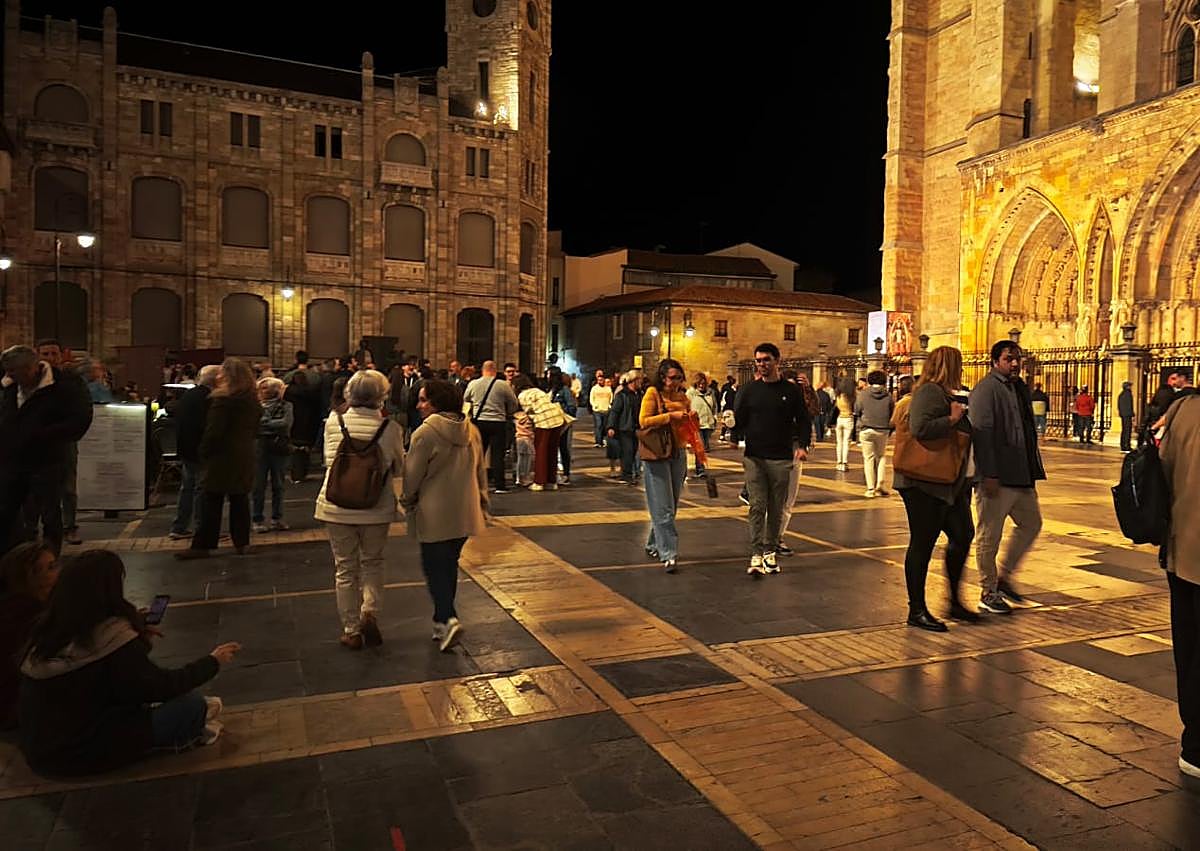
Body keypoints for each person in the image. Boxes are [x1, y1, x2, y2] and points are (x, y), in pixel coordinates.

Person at [19, 550, 240, 775]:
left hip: (41, 749)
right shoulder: (109, 635)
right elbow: (159, 686)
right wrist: (213, 661)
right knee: (191, 705)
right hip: (79, 752)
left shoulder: (50, 629)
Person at [315, 370, 405, 650]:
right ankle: (370, 611)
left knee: (344, 568)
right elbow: (399, 467)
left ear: (348, 394)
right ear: (382, 396)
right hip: (376, 506)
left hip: (336, 505)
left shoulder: (334, 421)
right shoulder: (391, 429)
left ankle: (351, 629)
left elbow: (328, 459)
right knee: (373, 562)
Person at [894, 346, 978, 632]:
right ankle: (916, 610)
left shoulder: (947, 393)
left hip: (945, 482)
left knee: (963, 534)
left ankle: (953, 600)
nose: (963, 369)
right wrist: (953, 419)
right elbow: (920, 428)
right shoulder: (930, 391)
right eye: (960, 364)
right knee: (922, 543)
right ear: (949, 365)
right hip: (923, 482)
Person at [401, 379, 487, 652]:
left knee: (433, 567)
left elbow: (412, 476)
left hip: (434, 511)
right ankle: (440, 622)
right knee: (448, 565)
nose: (419, 405)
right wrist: (483, 501)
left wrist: (406, 500)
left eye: (424, 399)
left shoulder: (425, 433)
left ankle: (449, 618)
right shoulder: (471, 429)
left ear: (437, 402)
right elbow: (481, 471)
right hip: (465, 511)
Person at [970, 340, 1045, 614]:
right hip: (996, 475)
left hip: (1020, 473)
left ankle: (1004, 577)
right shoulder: (986, 390)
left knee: (1031, 523)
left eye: (1017, 358)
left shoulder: (1019, 388)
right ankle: (988, 591)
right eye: (1008, 358)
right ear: (995, 361)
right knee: (989, 534)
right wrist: (988, 473)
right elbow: (981, 434)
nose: (1014, 363)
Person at [0, 345, 93, 557]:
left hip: (48, 459)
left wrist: (42, 435)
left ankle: (49, 560)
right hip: (13, 460)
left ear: (31, 369)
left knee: (50, 513)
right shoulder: (9, 385)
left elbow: (80, 419)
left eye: (15, 372)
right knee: (7, 509)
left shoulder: (65, 385)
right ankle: (11, 559)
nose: (10, 376)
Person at [733, 344, 810, 577]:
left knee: (776, 507)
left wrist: (803, 446)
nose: (761, 365)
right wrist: (734, 435)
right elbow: (739, 418)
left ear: (777, 361)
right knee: (757, 505)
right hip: (755, 456)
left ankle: (770, 551)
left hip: (781, 457)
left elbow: (804, 419)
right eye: (758, 361)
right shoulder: (749, 390)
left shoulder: (791, 391)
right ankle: (756, 551)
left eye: (766, 360)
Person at [177, 358, 262, 559]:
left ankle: (203, 545)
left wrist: (204, 452)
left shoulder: (223, 400)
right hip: (244, 455)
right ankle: (242, 542)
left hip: (221, 457)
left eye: (222, 372)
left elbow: (214, 432)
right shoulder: (252, 401)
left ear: (229, 376)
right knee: (240, 500)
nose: (218, 376)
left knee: (211, 501)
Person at [1158, 393, 1200, 779]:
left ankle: (1194, 744)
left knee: (1188, 649)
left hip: (1182, 549)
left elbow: (1163, 473)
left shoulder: (1184, 408)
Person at [640, 358, 700, 573]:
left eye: (679, 378)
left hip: (678, 451)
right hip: (657, 453)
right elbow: (644, 420)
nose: (676, 382)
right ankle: (669, 553)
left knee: (671, 505)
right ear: (663, 377)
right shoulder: (652, 394)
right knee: (663, 507)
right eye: (672, 378)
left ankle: (653, 543)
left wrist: (691, 419)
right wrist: (669, 416)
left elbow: (688, 426)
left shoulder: (683, 396)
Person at [35, 340, 91, 547]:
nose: (50, 358)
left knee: (68, 487)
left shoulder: (70, 381)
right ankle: (35, 529)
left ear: (60, 356)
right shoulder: (33, 380)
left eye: (53, 354)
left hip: (64, 441)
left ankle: (70, 527)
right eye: (45, 354)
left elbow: (82, 410)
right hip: (37, 444)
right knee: (36, 489)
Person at [1, 543, 59, 729]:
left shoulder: (32, 608)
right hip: (18, 711)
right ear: (28, 577)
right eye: (49, 568)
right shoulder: (26, 616)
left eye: (54, 565)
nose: (56, 573)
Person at [169, 365, 219, 540]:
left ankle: (179, 526)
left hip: (186, 448)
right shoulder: (209, 397)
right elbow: (207, 426)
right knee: (201, 490)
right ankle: (201, 528)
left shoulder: (189, 395)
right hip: (200, 450)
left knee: (187, 489)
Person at [464, 360, 520, 494]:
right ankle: (500, 485)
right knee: (497, 454)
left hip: (479, 422)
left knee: (478, 453)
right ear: (495, 370)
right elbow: (513, 402)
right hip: (498, 422)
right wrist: (507, 412)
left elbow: (466, 398)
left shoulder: (473, 383)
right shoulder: (503, 385)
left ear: (483, 370)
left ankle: (475, 483)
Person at [251, 377, 293, 534]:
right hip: (260, 447)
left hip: (278, 446)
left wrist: (265, 422)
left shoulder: (286, 406)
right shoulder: (254, 406)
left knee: (279, 484)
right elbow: (253, 425)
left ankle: (277, 518)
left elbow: (285, 424)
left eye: (265, 388)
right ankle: (257, 518)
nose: (261, 392)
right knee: (258, 485)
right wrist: (271, 424)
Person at [514, 374, 565, 491]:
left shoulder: (523, 395)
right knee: (552, 451)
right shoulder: (537, 391)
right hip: (557, 419)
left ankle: (539, 482)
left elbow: (529, 412)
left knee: (541, 452)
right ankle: (551, 482)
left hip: (544, 422)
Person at [854, 370, 895, 498]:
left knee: (868, 458)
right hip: (883, 429)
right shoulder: (888, 395)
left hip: (866, 428)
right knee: (881, 456)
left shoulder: (863, 394)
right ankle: (880, 484)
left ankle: (870, 488)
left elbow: (857, 409)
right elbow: (892, 411)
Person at [284, 369, 322, 483]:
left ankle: (296, 474)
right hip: (308, 425)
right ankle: (303, 472)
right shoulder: (312, 393)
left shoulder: (289, 392)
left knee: (296, 451)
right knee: (305, 450)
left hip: (295, 424)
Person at [607, 370, 644, 484]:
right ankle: (626, 475)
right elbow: (615, 411)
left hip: (636, 428)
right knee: (627, 452)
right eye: (639, 380)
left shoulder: (639, 394)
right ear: (633, 381)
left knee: (633, 451)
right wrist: (611, 426)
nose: (640, 382)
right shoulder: (622, 395)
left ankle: (630, 473)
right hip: (625, 428)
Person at [548, 368, 578, 485]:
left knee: (564, 448)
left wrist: (560, 410)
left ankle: (566, 474)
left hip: (563, 424)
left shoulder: (565, 390)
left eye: (549, 374)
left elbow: (572, 407)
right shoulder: (550, 390)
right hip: (552, 423)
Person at [686, 373, 718, 478]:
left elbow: (714, 406)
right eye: (699, 383)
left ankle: (700, 467)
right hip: (696, 425)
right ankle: (700, 469)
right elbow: (686, 407)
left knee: (703, 447)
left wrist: (714, 416)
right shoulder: (690, 394)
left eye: (703, 383)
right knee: (700, 447)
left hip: (708, 424)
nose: (701, 385)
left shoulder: (710, 393)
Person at [833, 377, 856, 472]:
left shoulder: (838, 395)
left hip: (840, 418)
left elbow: (835, 407)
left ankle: (838, 462)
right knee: (846, 442)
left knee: (839, 442)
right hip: (848, 418)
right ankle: (844, 462)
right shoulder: (852, 396)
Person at [589, 371, 613, 448]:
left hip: (606, 409)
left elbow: (611, 397)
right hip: (597, 410)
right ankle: (598, 442)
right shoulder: (594, 389)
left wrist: (609, 405)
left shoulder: (608, 389)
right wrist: (594, 405)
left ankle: (603, 440)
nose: (600, 381)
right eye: (599, 380)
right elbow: (591, 398)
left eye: (602, 380)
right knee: (598, 425)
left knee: (604, 426)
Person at [719, 376, 738, 442]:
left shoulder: (726, 388)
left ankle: (722, 435)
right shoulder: (730, 390)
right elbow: (727, 399)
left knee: (726, 422)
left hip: (727, 408)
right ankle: (730, 437)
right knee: (730, 422)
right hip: (729, 408)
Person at [1118, 381, 1135, 452]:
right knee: (1128, 430)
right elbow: (1129, 405)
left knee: (1124, 430)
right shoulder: (1128, 394)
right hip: (1127, 414)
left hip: (1123, 414)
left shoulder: (1121, 394)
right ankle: (1127, 445)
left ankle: (1123, 445)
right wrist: (1132, 414)